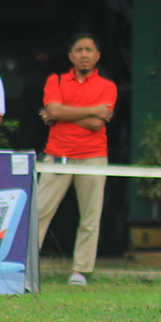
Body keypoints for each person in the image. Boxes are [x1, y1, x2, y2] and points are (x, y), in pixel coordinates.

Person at [36, 33, 117, 286]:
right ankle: (25, 264)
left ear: (97, 56)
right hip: (57, 155)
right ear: (71, 56)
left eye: (89, 50)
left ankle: (80, 270)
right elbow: (56, 110)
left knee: (90, 216)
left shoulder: (107, 86)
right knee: (38, 212)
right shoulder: (56, 80)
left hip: (93, 157)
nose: (84, 54)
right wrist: (90, 109)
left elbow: (95, 124)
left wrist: (60, 114)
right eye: (79, 50)